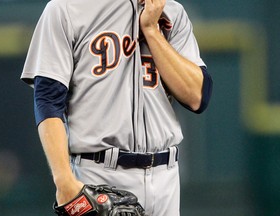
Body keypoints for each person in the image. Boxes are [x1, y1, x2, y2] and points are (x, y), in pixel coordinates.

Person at [21, 0, 212, 215]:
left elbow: (197, 97)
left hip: (166, 176)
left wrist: (151, 30)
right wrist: (64, 181)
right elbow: (47, 101)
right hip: (99, 176)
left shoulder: (172, 12)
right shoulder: (66, 8)